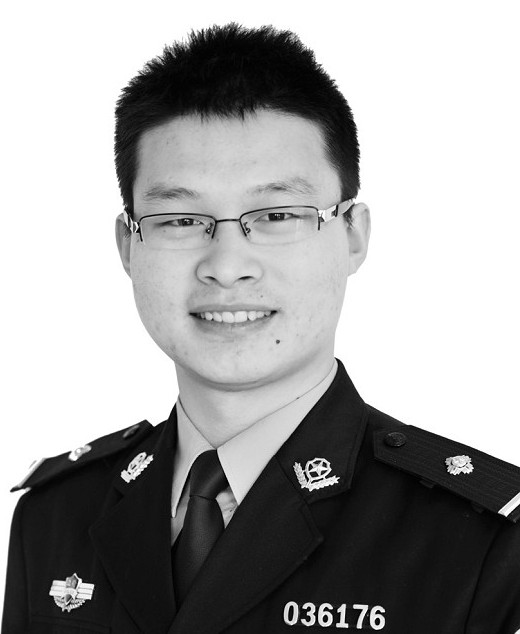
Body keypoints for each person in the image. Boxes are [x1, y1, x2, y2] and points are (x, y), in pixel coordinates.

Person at [2, 23, 520, 634]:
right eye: (179, 219)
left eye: (277, 214)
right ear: (127, 245)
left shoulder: (484, 542)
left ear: (353, 235)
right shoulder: (56, 514)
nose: (226, 267)